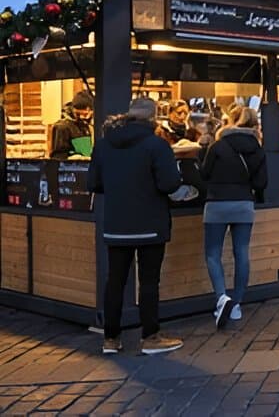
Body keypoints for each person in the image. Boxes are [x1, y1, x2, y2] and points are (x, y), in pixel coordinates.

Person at [86, 98, 184, 356]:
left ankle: (110, 338)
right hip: (150, 223)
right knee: (149, 281)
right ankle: (150, 337)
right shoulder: (157, 145)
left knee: (115, 281)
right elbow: (169, 184)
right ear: (152, 118)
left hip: (116, 223)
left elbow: (94, 183)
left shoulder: (104, 144)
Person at [199, 105, 268, 328]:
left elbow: (204, 174)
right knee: (242, 253)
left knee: (212, 254)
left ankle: (221, 298)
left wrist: (203, 151)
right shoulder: (257, 149)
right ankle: (236, 304)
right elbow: (261, 183)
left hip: (217, 203)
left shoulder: (218, 146)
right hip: (244, 204)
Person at [49, 90, 94, 159]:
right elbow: (57, 158)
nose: (82, 117)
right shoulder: (62, 127)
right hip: (72, 168)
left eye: (85, 114)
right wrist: (71, 159)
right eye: (78, 114)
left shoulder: (88, 126)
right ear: (73, 109)